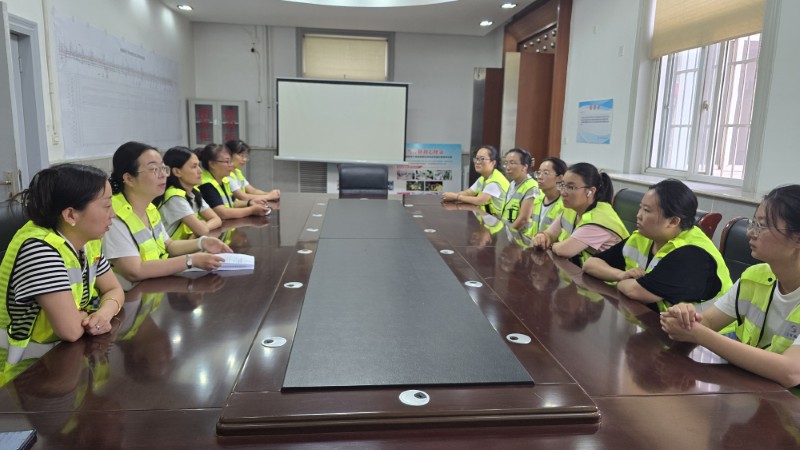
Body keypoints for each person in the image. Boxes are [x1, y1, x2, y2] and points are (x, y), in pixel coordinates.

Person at [661, 185, 800, 388]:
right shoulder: (755, 276)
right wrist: (685, 318)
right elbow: (709, 321)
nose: (750, 233)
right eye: (753, 223)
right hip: (755, 389)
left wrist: (698, 333)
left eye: (762, 226)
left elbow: (791, 372)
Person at [0, 164, 125, 364]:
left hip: (63, 357)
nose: (114, 214)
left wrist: (103, 314)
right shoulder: (40, 249)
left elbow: (114, 289)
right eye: (107, 205)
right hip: (25, 368)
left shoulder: (87, 242)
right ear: (70, 215)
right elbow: (71, 330)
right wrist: (89, 315)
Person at [583, 179, 732, 312]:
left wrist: (621, 282)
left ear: (673, 221)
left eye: (647, 210)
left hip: (709, 331)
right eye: (640, 207)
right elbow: (590, 264)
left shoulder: (692, 253)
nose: (638, 215)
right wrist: (620, 275)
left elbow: (635, 291)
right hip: (661, 323)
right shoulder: (644, 237)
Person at [104, 142, 232, 283]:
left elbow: (168, 245)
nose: (163, 175)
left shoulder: (149, 208)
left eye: (163, 168)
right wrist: (190, 260)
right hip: (132, 293)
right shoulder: (113, 215)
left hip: (155, 285)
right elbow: (135, 271)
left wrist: (203, 243)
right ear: (129, 179)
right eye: (154, 169)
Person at [532, 162, 629, 266]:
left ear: (590, 191)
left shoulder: (599, 219)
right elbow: (550, 233)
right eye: (562, 185)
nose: (563, 192)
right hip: (580, 271)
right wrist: (542, 236)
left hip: (609, 276)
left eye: (570, 187)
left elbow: (564, 250)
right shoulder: (572, 208)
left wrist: (550, 245)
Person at [156, 146, 222, 240]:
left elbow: (217, 219)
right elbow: (202, 231)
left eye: (199, 166)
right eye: (194, 167)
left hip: (185, 245)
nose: (200, 171)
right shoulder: (174, 196)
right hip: (171, 248)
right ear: (177, 172)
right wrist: (201, 227)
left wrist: (203, 226)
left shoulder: (193, 192)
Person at [197, 143, 271, 220]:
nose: (231, 165)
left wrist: (249, 202)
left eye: (231, 161)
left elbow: (232, 202)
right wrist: (252, 210)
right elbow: (223, 213)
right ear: (212, 164)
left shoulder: (224, 180)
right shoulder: (206, 185)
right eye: (227, 162)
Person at [441, 145, 509, 217]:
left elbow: (479, 201)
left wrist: (456, 197)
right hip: (489, 217)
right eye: (476, 159)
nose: (477, 162)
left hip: (501, 221)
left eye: (482, 159)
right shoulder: (483, 178)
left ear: (493, 162)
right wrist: (451, 196)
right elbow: (468, 192)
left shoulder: (495, 181)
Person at [526, 156, 567, 237]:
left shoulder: (564, 205)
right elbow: (533, 230)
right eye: (539, 173)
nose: (540, 177)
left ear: (559, 178)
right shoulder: (538, 200)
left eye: (545, 173)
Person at [500, 148, 539, 230]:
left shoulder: (531, 187)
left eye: (512, 163)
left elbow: (523, 220)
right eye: (506, 163)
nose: (507, 167)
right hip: (507, 231)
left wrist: (508, 232)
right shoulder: (513, 183)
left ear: (524, 167)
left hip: (520, 235)